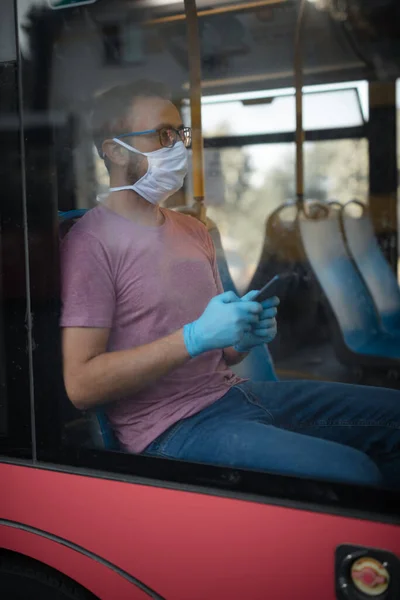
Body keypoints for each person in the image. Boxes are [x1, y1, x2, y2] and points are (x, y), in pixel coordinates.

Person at [61, 80, 400, 490]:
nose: (178, 147)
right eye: (163, 135)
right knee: (355, 473)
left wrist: (243, 338)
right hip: (170, 428)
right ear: (114, 150)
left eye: (181, 134)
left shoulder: (193, 230)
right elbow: (81, 385)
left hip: (234, 394)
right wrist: (193, 337)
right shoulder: (90, 243)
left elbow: (221, 355)